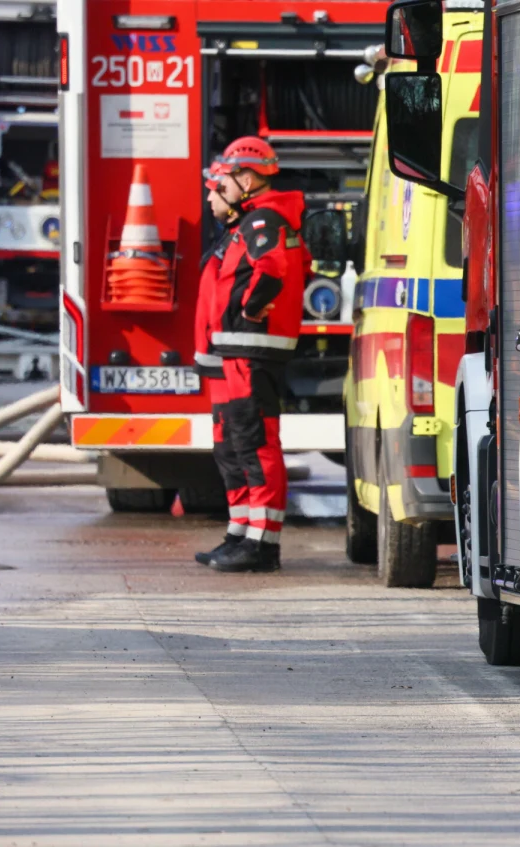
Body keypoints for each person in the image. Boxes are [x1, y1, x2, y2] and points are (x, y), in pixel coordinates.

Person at [204, 136, 309, 573]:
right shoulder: (253, 221)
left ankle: (261, 545)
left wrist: (249, 310)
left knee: (256, 444)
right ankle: (242, 535)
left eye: (220, 185)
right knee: (236, 445)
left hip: (252, 349)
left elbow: (273, 271)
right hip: (240, 349)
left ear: (245, 179)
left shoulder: (263, 222)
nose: (214, 194)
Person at [193, 164, 249, 565]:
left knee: (238, 449)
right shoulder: (227, 237)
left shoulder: (246, 235)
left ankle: (247, 537)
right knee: (225, 450)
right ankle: (237, 530)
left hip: (232, 361)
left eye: (214, 191)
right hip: (217, 362)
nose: (209, 199)